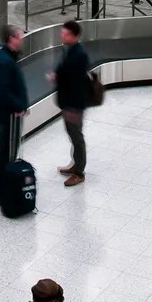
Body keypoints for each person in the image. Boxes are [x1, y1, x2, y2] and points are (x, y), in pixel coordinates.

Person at [48, 20, 91, 187]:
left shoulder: (79, 55)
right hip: (68, 102)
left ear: (75, 36)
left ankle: (79, 172)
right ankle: (75, 164)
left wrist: (74, 108)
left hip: (74, 104)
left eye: (65, 34)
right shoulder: (70, 50)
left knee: (77, 137)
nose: (62, 35)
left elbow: (77, 84)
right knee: (72, 135)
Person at [0, 24, 28, 201]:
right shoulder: (3, 61)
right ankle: (2, 188)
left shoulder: (7, 57)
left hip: (9, 112)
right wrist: (18, 106)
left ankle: (2, 186)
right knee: (5, 151)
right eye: (20, 36)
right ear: (12, 39)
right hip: (8, 114)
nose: (23, 39)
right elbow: (2, 91)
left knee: (4, 149)